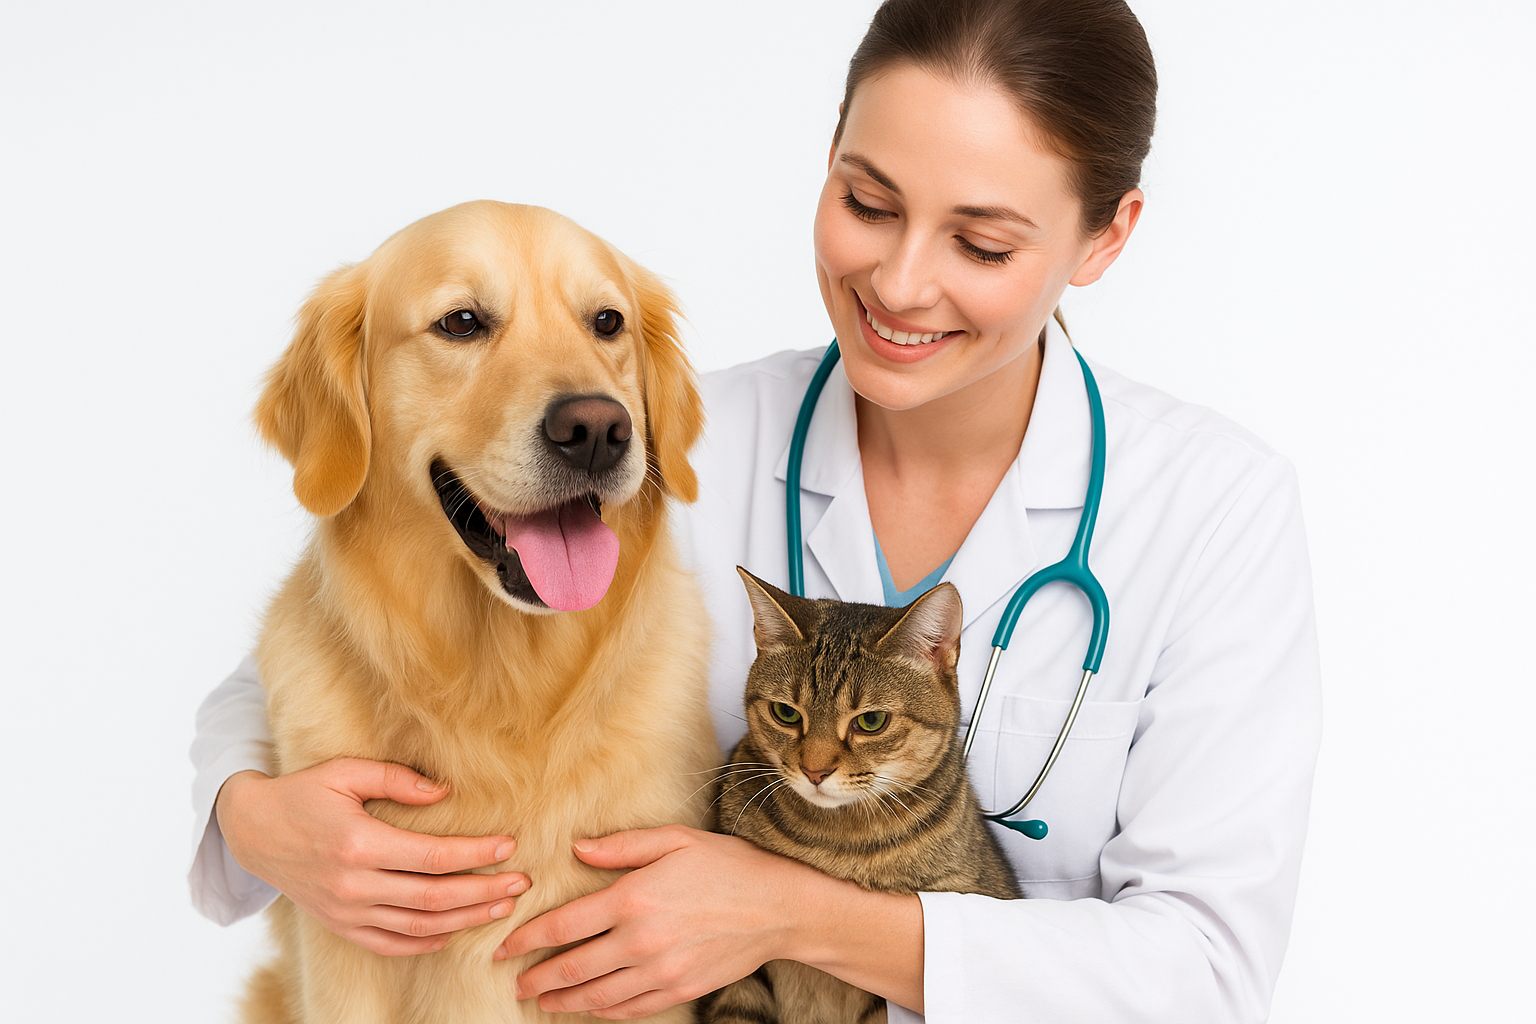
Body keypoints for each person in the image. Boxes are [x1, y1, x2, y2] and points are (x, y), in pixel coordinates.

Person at [190, 1, 1321, 1020]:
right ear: (829, 160)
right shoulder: (668, 444)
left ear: (1105, 237)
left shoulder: (1214, 510)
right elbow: (346, 634)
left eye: (981, 243)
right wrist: (247, 810)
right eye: (867, 202)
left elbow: (1208, 971)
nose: (901, 282)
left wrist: (794, 914)